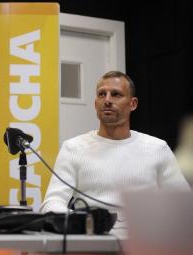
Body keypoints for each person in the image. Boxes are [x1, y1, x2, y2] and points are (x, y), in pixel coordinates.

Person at [40, 71, 189, 216]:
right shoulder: (73, 148)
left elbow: (183, 204)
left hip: (145, 238)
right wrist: (85, 223)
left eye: (116, 94)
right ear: (95, 103)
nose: (107, 100)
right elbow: (52, 203)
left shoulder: (157, 149)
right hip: (91, 236)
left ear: (133, 104)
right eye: (101, 94)